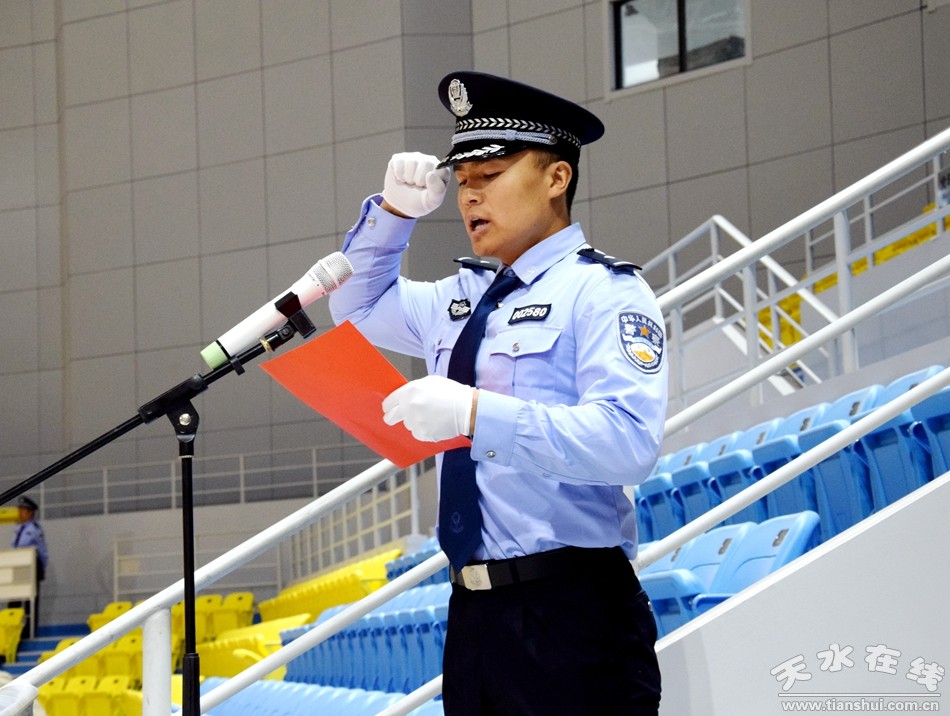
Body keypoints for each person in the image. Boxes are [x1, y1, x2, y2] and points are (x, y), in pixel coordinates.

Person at [329, 70, 667, 714]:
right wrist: (393, 216)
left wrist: (474, 413)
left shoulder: (603, 292)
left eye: (490, 175)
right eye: (462, 181)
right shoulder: (460, 297)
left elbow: (627, 443)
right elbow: (355, 306)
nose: (469, 197)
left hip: (572, 609)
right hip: (472, 610)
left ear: (556, 178)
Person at [10, 496, 48, 636]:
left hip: (31, 564)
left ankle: (28, 630)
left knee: (30, 599)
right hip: (18, 563)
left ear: (30, 513)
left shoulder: (34, 529)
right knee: (14, 597)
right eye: (19, 510)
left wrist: (42, 567)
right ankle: (12, 626)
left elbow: (42, 551)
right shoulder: (18, 528)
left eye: (23, 510)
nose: (20, 513)